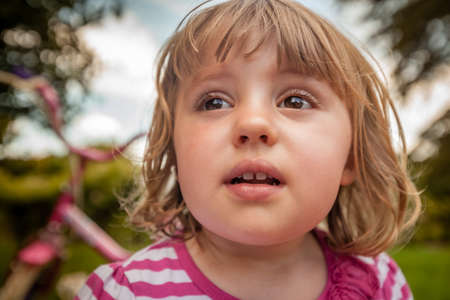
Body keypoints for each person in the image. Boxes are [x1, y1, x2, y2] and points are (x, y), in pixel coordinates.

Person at [76, 0, 421, 299]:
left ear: (350, 157)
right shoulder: (123, 292)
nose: (252, 123)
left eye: (295, 100)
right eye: (213, 102)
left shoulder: (379, 283)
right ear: (174, 152)